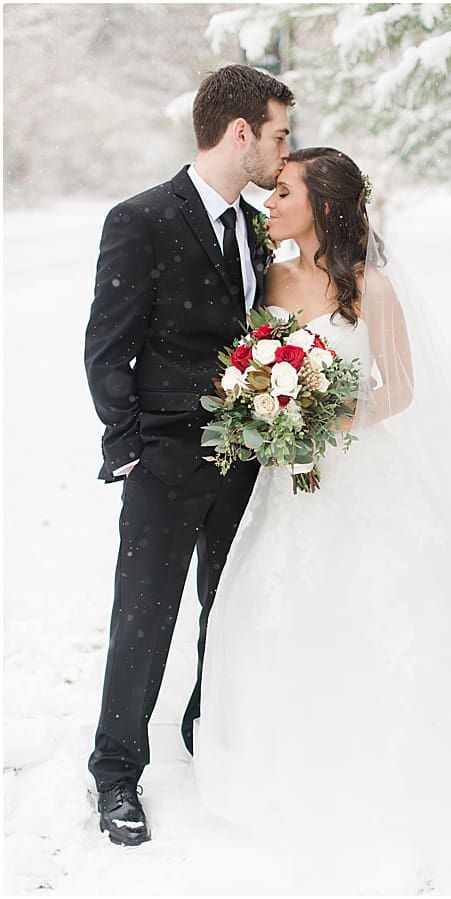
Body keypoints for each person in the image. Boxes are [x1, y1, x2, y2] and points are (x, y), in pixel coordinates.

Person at [191, 149, 451, 889]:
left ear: (323, 204)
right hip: (288, 483)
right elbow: (251, 364)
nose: (270, 201)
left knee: (380, 605)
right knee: (278, 605)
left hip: (358, 471)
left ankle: (392, 752)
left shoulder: (368, 286)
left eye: (284, 191)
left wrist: (324, 417)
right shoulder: (272, 277)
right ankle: (289, 751)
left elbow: (399, 388)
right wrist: (271, 414)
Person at [83, 64, 293, 846]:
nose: (283, 149)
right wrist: (130, 448)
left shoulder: (261, 224)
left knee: (228, 607)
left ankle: (206, 724)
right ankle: (114, 773)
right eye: (278, 134)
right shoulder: (139, 219)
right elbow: (107, 348)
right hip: (166, 459)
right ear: (240, 132)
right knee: (143, 619)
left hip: (249, 458)